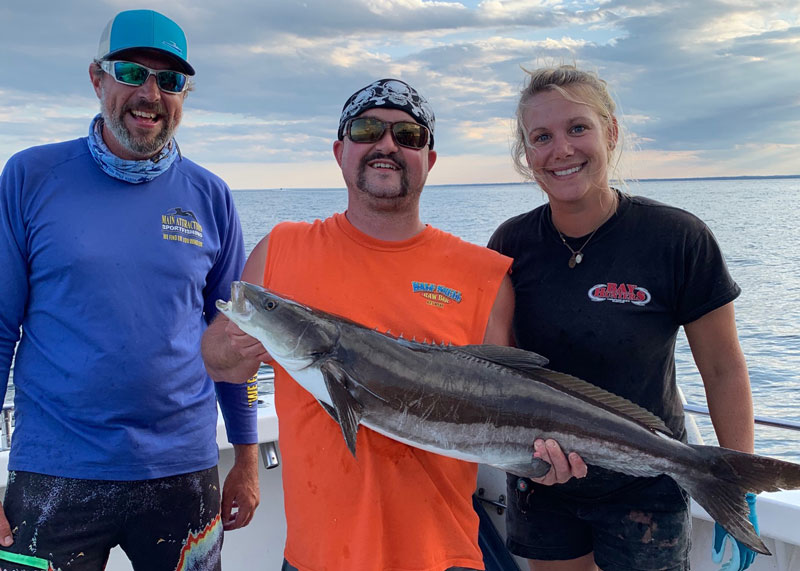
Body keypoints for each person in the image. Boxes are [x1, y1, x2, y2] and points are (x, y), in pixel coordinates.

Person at [201, 78, 587, 571]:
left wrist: (542, 463)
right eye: (367, 130)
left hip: (442, 556)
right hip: (316, 558)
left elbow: (511, 405)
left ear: (429, 159)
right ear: (340, 151)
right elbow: (222, 364)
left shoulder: (484, 276)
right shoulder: (280, 249)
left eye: (408, 135)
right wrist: (234, 347)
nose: (386, 145)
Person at [0, 10, 259, 570]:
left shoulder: (211, 196)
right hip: (53, 469)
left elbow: (237, 339)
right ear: (97, 78)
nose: (150, 94)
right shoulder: (29, 177)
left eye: (169, 80)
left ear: (184, 94)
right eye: (132, 73)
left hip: (183, 472)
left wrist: (246, 457)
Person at [487, 64, 757, 571]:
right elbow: (500, 373)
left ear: (610, 133)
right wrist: (523, 455)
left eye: (577, 128)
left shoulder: (678, 238)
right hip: (544, 477)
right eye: (541, 137)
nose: (561, 149)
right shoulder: (509, 243)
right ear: (526, 153)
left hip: (648, 480)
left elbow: (723, 368)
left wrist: (736, 484)